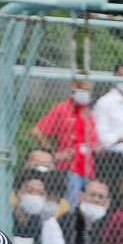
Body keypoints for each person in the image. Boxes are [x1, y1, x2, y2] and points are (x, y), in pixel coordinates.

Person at [33, 77, 99, 205]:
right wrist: (53, 155)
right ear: (74, 87)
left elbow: (95, 140)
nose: (85, 92)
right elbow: (37, 132)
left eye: (88, 89)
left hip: (88, 169)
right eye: (81, 87)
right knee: (70, 206)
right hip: (69, 168)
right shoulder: (63, 109)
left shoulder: (89, 112)